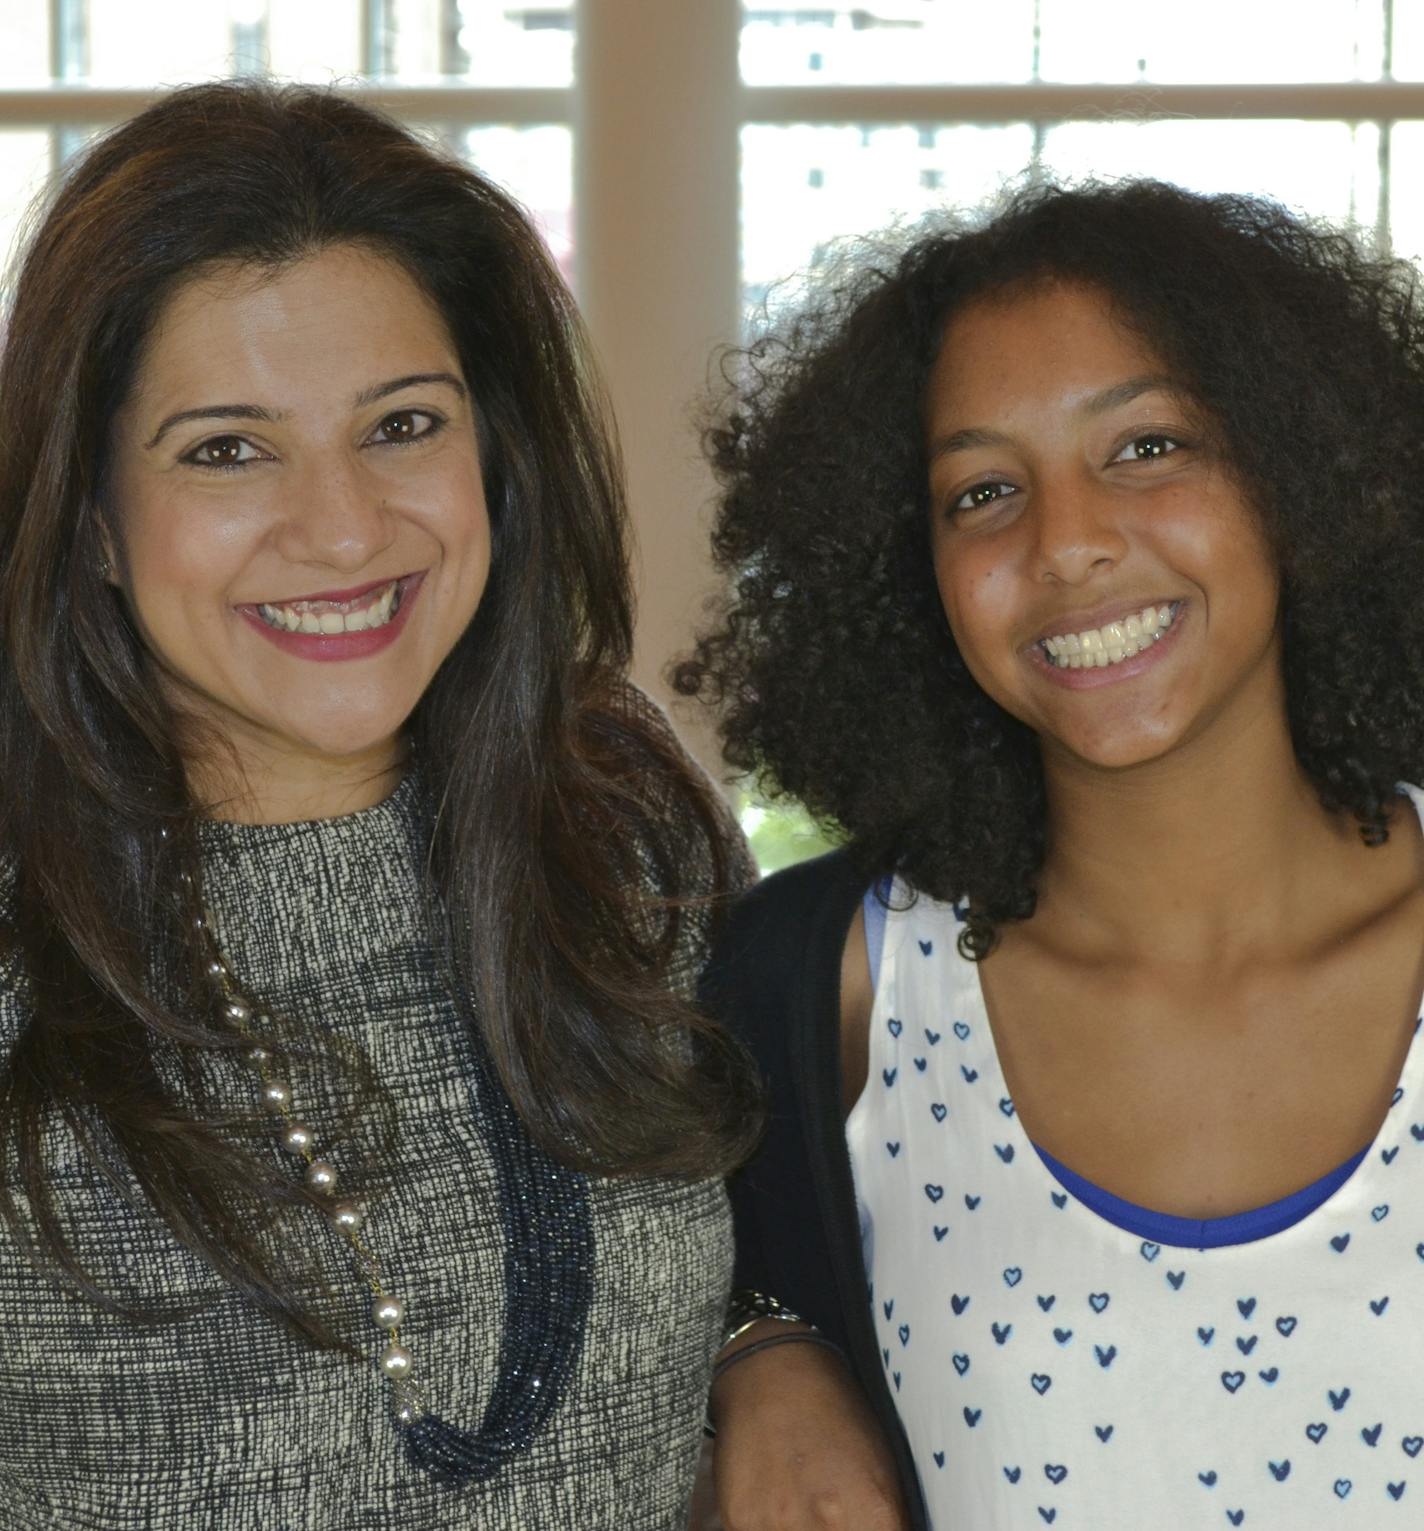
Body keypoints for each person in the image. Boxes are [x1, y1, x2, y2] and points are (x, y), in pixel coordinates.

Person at [0, 80, 760, 1529]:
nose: (343, 526)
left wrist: (767, 1341)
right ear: (90, 517)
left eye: (402, 424)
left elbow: (780, 1208)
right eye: (226, 448)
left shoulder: (624, 817)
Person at [680, 180, 1424, 1529]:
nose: (1067, 541)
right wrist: (758, 1352)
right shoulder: (818, 993)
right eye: (982, 491)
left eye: (1146, 448)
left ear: (1304, 473)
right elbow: (628, 1300)